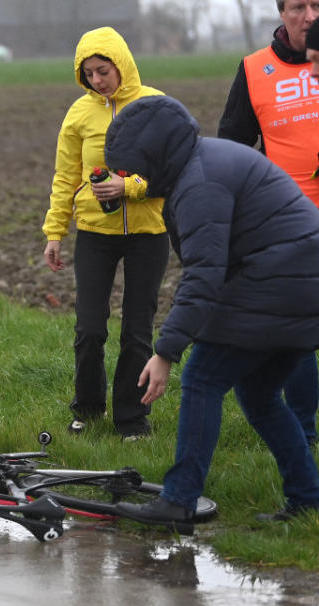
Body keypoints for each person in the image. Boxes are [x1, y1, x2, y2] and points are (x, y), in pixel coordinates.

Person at [103, 95, 319, 531]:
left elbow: (204, 276)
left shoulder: (199, 183)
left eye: (136, 166)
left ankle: (179, 500)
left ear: (157, 154)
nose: (135, 177)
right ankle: (308, 498)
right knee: (259, 397)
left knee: (202, 378)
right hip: (299, 285)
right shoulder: (204, 161)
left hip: (280, 284)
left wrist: (165, 352)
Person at [41, 27, 169, 441]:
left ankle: (132, 420)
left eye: (104, 70)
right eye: (89, 73)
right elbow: (64, 177)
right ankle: (88, 409)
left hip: (149, 232)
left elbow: (174, 170)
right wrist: (55, 231)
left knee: (137, 329)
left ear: (122, 63)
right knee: (90, 327)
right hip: (95, 232)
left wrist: (128, 187)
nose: (98, 80)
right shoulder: (79, 113)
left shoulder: (155, 105)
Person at [217, 0, 319, 447]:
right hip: (290, 227)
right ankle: (303, 430)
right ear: (281, 12)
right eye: (299, 7)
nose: (310, 16)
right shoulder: (255, 69)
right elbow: (231, 146)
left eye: (317, 5)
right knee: (299, 333)